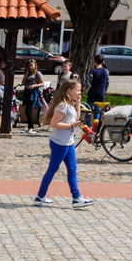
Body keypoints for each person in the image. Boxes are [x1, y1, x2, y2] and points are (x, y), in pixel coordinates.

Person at [34, 78, 94, 208]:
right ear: (68, 91)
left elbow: (76, 118)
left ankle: (76, 197)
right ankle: (40, 196)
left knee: (72, 169)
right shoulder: (62, 106)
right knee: (52, 169)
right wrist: (71, 125)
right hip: (59, 143)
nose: (79, 92)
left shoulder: (70, 105)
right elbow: (54, 124)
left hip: (68, 142)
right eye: (77, 90)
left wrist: (78, 103)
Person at [20, 60, 46, 132]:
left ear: (35, 65)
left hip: (33, 93)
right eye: (29, 66)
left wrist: (34, 85)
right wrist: (26, 74)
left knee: (28, 110)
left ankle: (31, 127)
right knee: (27, 110)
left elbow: (43, 83)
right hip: (27, 92)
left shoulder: (37, 73)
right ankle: (30, 127)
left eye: (31, 65)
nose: (30, 67)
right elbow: (23, 83)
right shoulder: (28, 73)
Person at [86, 54, 110, 128]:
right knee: (98, 111)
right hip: (101, 93)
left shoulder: (93, 71)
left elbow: (88, 82)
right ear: (103, 62)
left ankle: (88, 125)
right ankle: (96, 127)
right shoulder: (106, 71)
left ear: (94, 62)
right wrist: (104, 90)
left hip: (92, 93)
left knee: (88, 110)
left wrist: (85, 88)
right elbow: (107, 82)